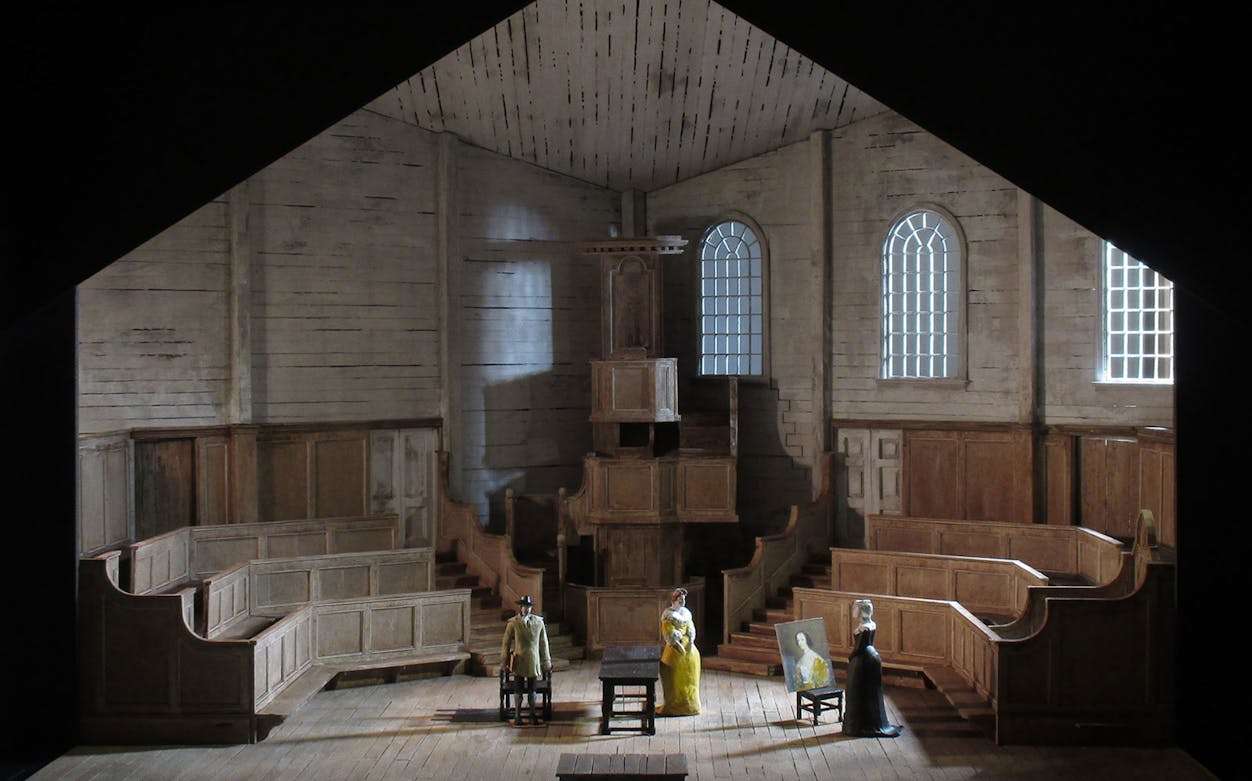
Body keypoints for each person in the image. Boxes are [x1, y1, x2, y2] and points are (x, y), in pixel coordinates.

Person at [842, 599, 902, 737]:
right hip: (871, 657)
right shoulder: (870, 624)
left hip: (863, 660)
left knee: (859, 690)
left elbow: (858, 648)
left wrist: (851, 659)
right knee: (869, 691)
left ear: (861, 610)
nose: (853, 611)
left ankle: (859, 725)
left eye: (855, 608)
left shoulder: (865, 628)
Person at [500, 595, 551, 726]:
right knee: (518, 688)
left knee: (532, 688)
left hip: (533, 659)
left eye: (528, 607)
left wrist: (546, 660)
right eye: (524, 606)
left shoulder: (538, 622)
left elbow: (543, 643)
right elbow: (506, 643)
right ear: (520, 607)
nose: (526, 609)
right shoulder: (513, 622)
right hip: (519, 660)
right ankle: (517, 715)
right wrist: (504, 660)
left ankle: (532, 714)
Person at [657, 587, 701, 715]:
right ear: (674, 600)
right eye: (681, 599)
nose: (683, 602)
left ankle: (691, 705)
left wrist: (690, 641)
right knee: (674, 681)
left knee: (690, 679)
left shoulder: (686, 614)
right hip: (675, 652)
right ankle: (674, 706)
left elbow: (691, 628)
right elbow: (669, 634)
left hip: (690, 653)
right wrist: (678, 644)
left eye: (684, 599)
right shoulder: (668, 616)